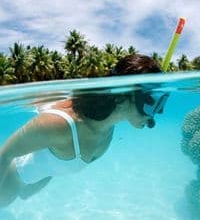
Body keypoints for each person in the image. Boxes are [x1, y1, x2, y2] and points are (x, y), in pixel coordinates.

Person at [0, 54, 169, 207]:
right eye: (153, 101)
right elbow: (5, 154)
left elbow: (56, 163)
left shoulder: (107, 130)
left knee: (24, 195)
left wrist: (34, 184)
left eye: (161, 101)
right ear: (125, 95)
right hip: (12, 178)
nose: (158, 112)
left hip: (33, 180)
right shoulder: (61, 124)